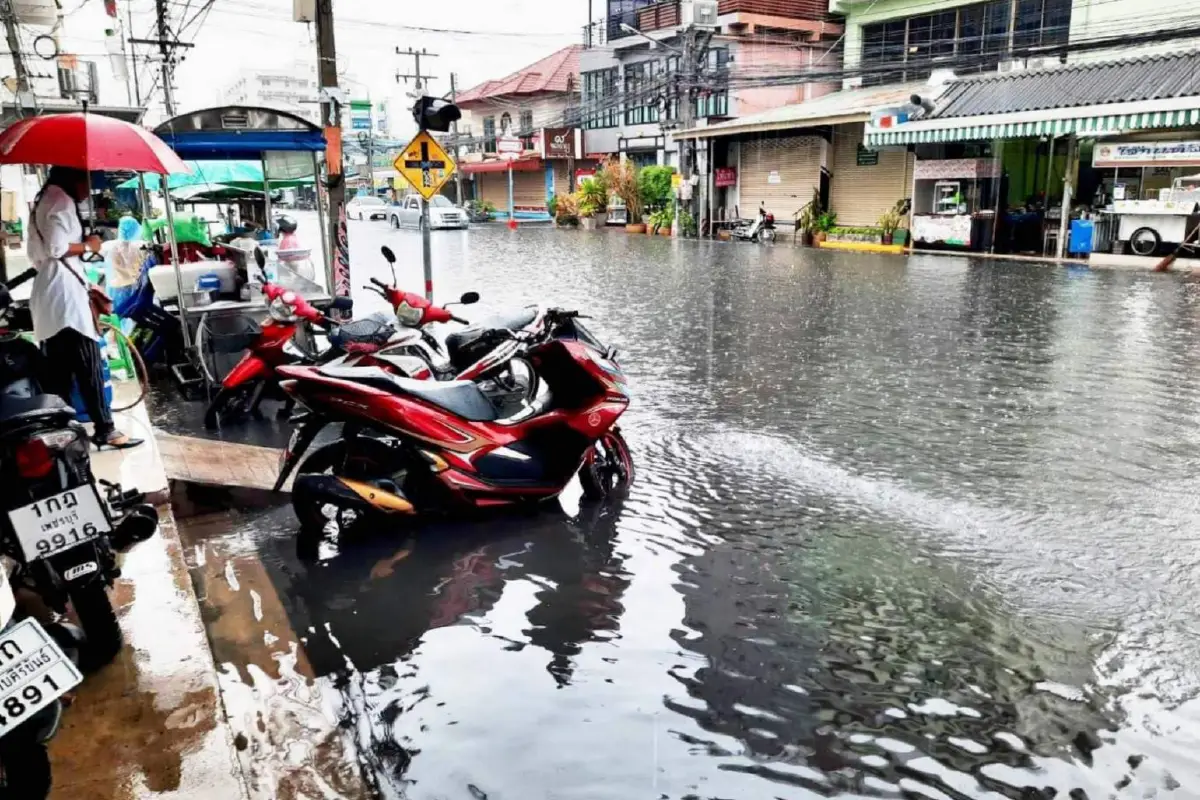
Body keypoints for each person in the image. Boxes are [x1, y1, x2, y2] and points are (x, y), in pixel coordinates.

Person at [27, 166, 141, 449]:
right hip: (65, 298)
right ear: (72, 179)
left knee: (59, 374)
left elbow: (38, 253)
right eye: (85, 180)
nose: (88, 188)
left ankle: (62, 434)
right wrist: (89, 245)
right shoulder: (60, 200)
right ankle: (106, 430)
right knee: (88, 366)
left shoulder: (44, 200)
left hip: (50, 294)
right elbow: (56, 247)